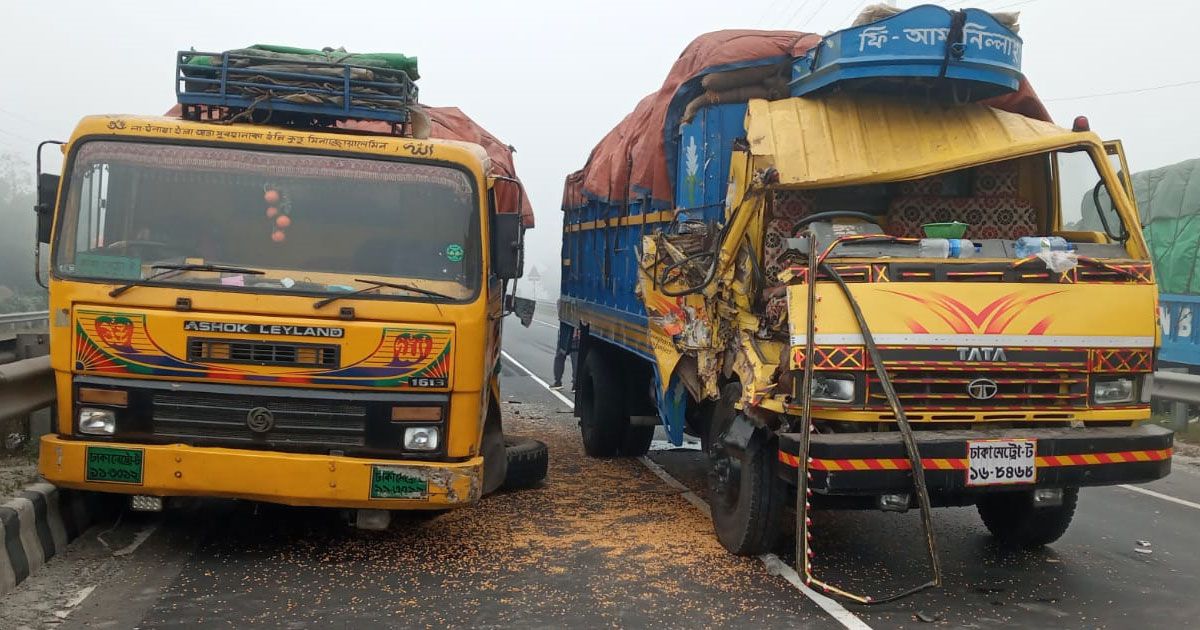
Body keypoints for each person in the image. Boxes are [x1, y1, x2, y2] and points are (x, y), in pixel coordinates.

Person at [551, 324, 579, 391]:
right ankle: (575, 385)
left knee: (560, 357)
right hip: (577, 335)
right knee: (576, 359)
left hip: (565, 333)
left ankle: (558, 382)